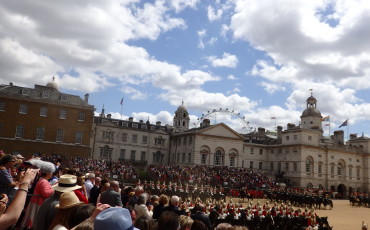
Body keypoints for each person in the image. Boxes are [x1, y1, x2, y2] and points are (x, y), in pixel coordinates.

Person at [21, 160, 56, 229]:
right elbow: (46, 193)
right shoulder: (44, 181)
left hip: (37, 202)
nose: (52, 174)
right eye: (51, 173)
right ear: (48, 173)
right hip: (38, 203)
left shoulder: (42, 180)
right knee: (35, 219)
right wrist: (54, 188)